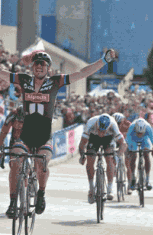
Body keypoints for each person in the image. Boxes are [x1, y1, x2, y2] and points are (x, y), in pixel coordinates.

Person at [0, 48, 117, 218]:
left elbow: (82, 73)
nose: (39, 67)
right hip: (25, 136)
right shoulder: (23, 79)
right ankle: (12, 202)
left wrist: (103, 61)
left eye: (43, 64)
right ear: (32, 67)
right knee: (16, 161)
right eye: (36, 64)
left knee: (42, 163)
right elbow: (2, 73)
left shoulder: (55, 81)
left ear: (49, 69)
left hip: (44, 136)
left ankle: (41, 193)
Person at [78, 113, 127, 203]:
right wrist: (82, 155)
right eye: (99, 130)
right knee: (90, 159)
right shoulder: (91, 123)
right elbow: (82, 143)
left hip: (108, 139)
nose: (101, 133)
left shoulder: (113, 125)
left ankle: (109, 188)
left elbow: (123, 144)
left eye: (103, 131)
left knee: (109, 159)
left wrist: (118, 154)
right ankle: (91, 188)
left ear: (108, 128)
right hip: (93, 138)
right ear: (96, 125)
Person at [126, 118, 153, 191]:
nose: (139, 134)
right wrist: (129, 150)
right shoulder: (132, 127)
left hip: (145, 139)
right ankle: (133, 177)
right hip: (133, 139)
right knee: (133, 156)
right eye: (138, 133)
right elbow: (127, 140)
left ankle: (147, 180)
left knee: (146, 155)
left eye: (141, 133)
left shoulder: (148, 127)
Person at [112, 112, 132, 195]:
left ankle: (130, 186)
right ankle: (115, 169)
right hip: (116, 142)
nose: (118, 125)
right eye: (116, 123)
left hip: (127, 142)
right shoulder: (112, 125)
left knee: (129, 164)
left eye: (119, 123)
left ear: (123, 121)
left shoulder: (128, 125)